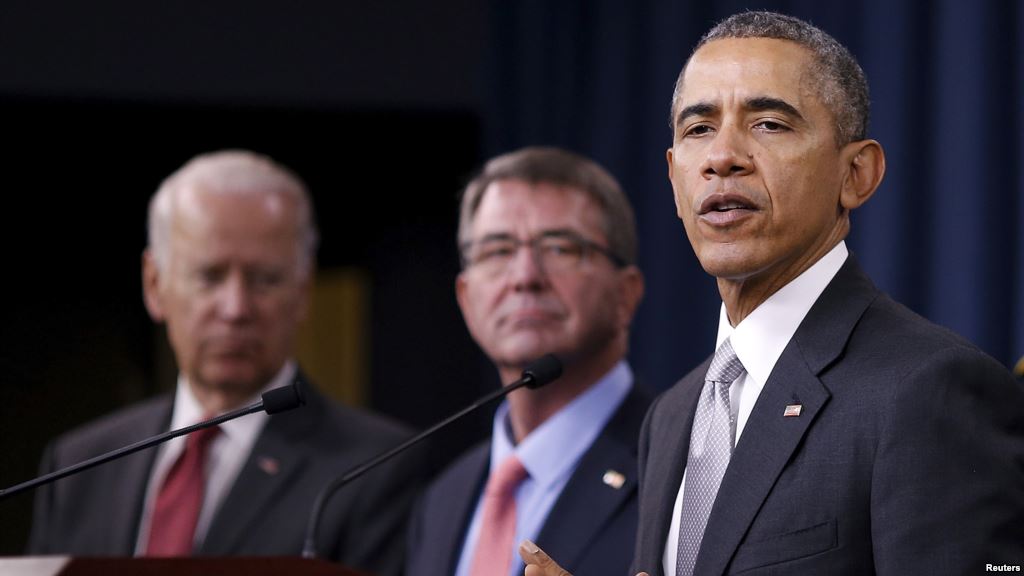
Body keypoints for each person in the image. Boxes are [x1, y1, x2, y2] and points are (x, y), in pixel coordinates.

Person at [522, 10, 1024, 576]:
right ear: (673, 178)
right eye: (698, 129)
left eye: (769, 124)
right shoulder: (670, 416)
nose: (721, 157)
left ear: (856, 174)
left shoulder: (928, 391)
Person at [28, 150, 424, 575]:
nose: (235, 308)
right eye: (209, 276)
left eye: (265, 279)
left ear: (303, 290)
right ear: (154, 283)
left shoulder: (375, 466)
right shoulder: (78, 465)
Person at [405, 147, 651, 576]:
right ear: (465, 297)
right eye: (497, 250)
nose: (525, 276)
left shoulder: (678, 463)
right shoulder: (443, 498)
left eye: (560, 247)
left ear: (625, 294)